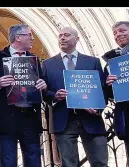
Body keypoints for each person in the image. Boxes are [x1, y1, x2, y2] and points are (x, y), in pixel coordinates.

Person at [42, 27, 108, 167]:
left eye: (66, 35)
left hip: (91, 119)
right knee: (68, 163)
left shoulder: (93, 62)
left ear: (77, 39)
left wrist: (97, 108)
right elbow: (44, 92)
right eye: (60, 35)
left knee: (100, 162)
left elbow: (102, 89)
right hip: (64, 120)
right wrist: (55, 96)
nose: (62, 38)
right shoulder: (48, 64)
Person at [0, 23, 46, 167]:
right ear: (18, 37)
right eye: (29, 35)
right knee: (8, 161)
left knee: (33, 160)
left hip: (29, 117)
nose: (32, 38)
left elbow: (42, 82)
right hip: (7, 118)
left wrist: (43, 85)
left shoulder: (34, 59)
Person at [102, 21, 129, 167]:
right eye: (115, 33)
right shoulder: (111, 61)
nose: (118, 35)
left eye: (122, 31)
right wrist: (109, 83)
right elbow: (108, 94)